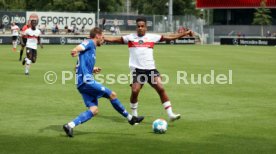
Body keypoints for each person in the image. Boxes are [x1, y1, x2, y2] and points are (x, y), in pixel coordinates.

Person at [104, 17, 194, 121]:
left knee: (161, 88)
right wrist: (102, 38)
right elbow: (115, 39)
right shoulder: (130, 37)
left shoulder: (152, 37)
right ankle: (134, 116)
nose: (140, 28)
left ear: (146, 27)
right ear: (136, 27)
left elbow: (170, 37)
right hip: (137, 70)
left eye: (142, 26)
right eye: (138, 26)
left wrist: (185, 33)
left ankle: (170, 114)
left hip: (151, 69)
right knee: (135, 91)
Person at [63, 27, 144, 138]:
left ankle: (69, 125)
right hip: (87, 82)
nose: (103, 38)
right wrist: (75, 50)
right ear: (97, 35)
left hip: (81, 84)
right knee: (112, 94)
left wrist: (92, 69)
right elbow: (80, 47)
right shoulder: (90, 42)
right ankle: (131, 118)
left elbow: (77, 68)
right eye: (103, 36)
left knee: (94, 110)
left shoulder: (91, 50)